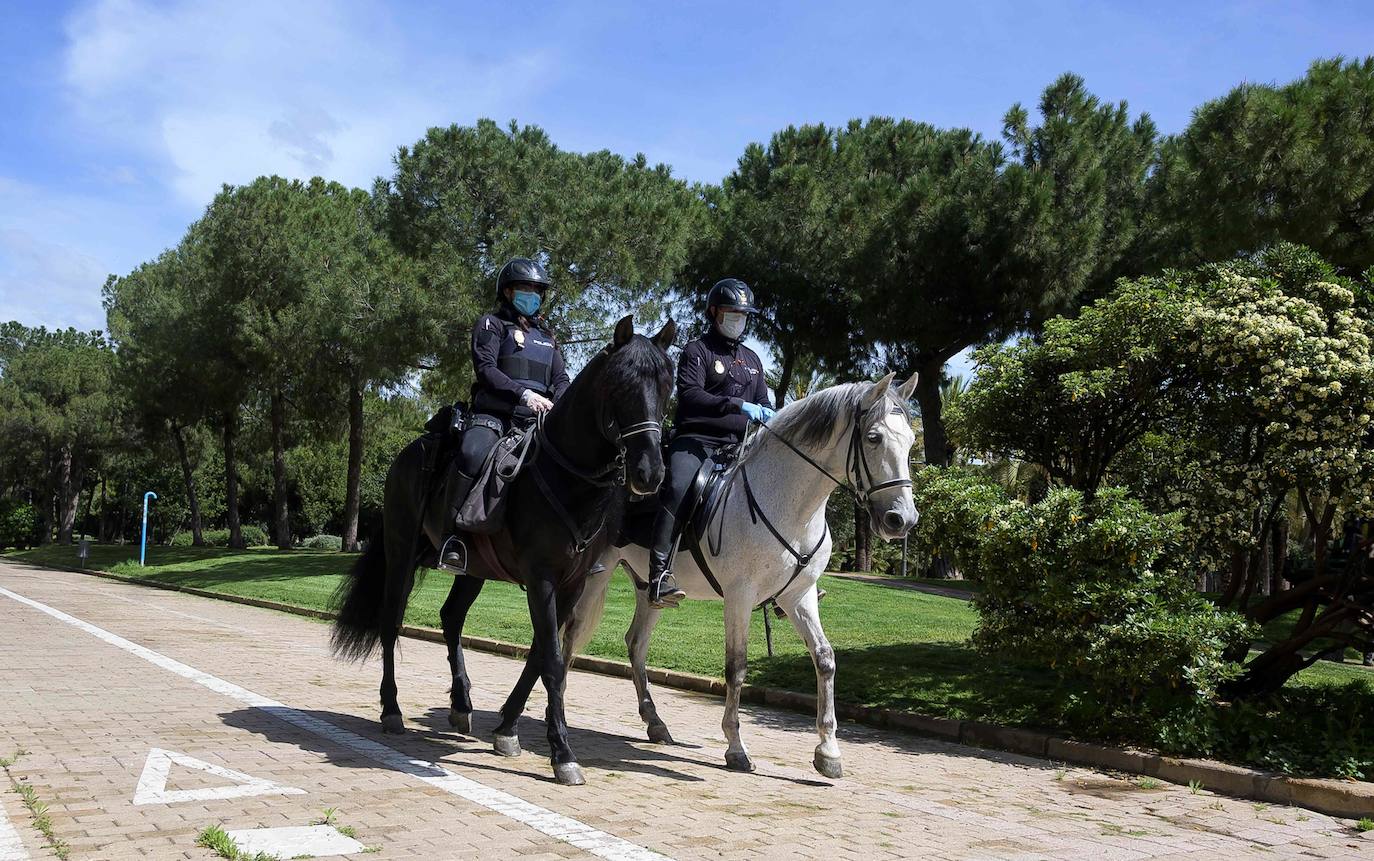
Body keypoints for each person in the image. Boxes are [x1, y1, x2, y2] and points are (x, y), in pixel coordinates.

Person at [647, 278, 775, 607]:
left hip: (740, 445)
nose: (739, 319)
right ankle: (659, 574)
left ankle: (781, 584)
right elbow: (690, 395)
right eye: (733, 312)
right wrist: (735, 405)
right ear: (714, 312)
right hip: (697, 440)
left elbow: (763, 400)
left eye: (744, 314)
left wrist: (769, 415)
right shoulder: (697, 351)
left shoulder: (753, 360)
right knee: (677, 488)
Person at [439, 257, 571, 572]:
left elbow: (561, 380)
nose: (532, 295)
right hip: (495, 416)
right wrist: (525, 394)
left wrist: (560, 404)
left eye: (537, 290)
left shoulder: (548, 337)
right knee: (471, 455)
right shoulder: (491, 324)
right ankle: (452, 538)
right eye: (525, 288)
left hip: (536, 422)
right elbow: (486, 370)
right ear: (508, 292)